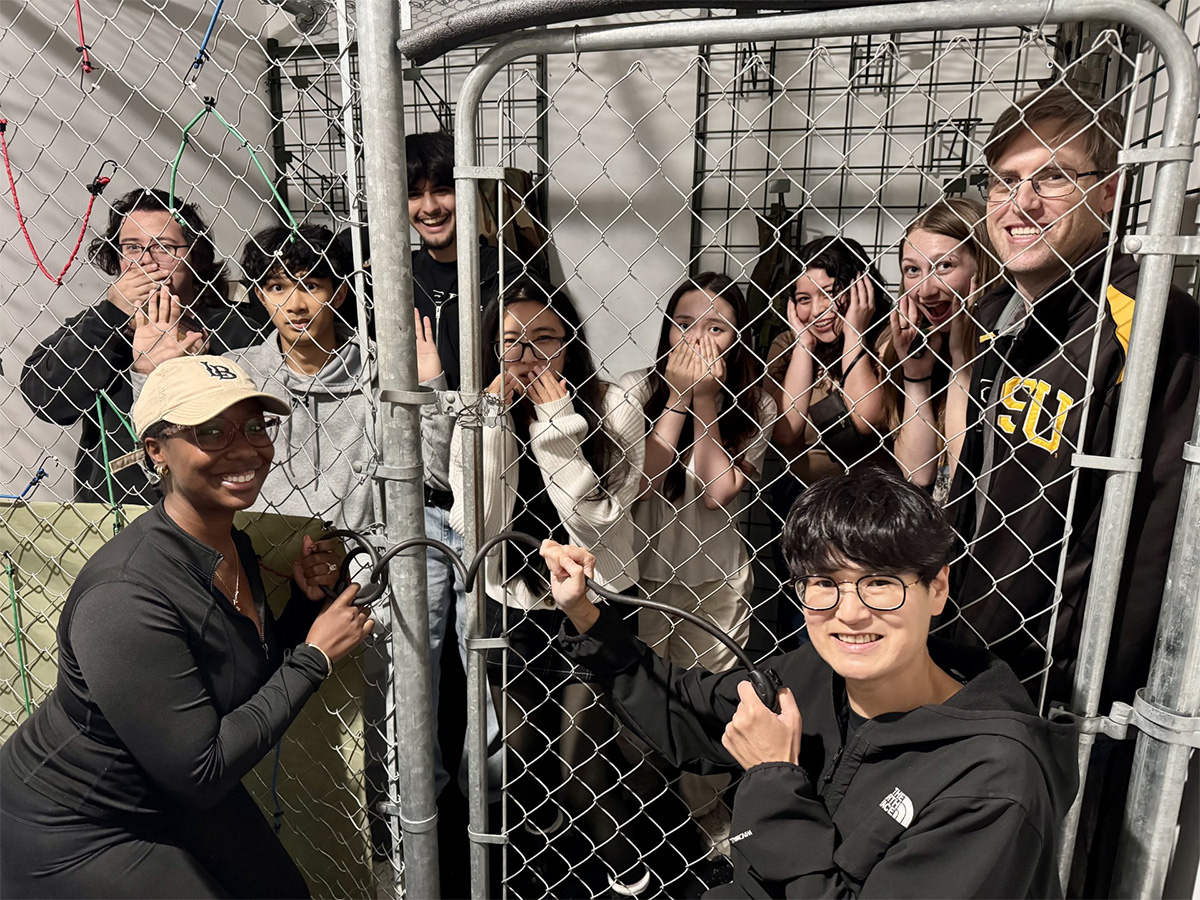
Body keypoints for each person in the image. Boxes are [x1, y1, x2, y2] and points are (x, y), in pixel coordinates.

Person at [542, 468, 1078, 898]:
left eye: (880, 584)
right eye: (825, 584)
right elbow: (688, 713)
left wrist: (775, 778)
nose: (851, 614)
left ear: (936, 589)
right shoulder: (815, 675)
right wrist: (589, 618)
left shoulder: (992, 781)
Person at [943, 86, 1199, 896]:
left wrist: (1090, 692)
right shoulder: (998, 314)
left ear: (1112, 189)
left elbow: (1149, 531)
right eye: (1002, 180)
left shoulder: (1149, 318)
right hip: (974, 656)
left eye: (1051, 178)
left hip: (1060, 690)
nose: (1019, 203)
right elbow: (974, 485)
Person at [0, 355, 374, 898]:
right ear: (157, 449)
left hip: (168, 792)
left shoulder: (229, 543)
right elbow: (203, 769)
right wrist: (313, 658)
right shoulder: (124, 596)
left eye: (253, 426)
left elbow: (239, 672)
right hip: (72, 824)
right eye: (211, 431)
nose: (244, 447)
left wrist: (303, 608)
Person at [448, 277, 652, 896]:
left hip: (595, 601)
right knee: (521, 754)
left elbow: (604, 517)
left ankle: (627, 872)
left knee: (581, 761)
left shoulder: (612, 404)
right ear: (491, 350)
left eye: (545, 340)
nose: (529, 357)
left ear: (571, 344)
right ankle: (540, 875)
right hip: (512, 604)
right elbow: (471, 524)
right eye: (512, 342)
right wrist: (487, 424)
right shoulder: (481, 412)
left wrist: (558, 426)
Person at [619, 272, 775, 855]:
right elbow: (643, 483)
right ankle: (641, 808)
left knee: (712, 695)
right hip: (646, 574)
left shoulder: (755, 399)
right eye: (685, 325)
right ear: (666, 330)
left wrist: (708, 399)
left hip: (720, 576)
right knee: (648, 695)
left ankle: (708, 812)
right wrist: (679, 398)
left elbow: (716, 491)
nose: (698, 339)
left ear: (738, 339)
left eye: (717, 328)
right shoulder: (635, 390)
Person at [20, 187, 265, 506]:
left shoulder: (234, 326)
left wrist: (198, 367)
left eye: (164, 247)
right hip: (116, 510)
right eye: (132, 248)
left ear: (195, 257)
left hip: (225, 507)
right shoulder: (98, 324)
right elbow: (45, 401)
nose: (146, 262)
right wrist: (111, 318)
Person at [133, 223, 377, 533]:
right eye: (278, 288)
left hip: (356, 564)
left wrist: (430, 385)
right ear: (260, 296)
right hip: (249, 554)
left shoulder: (377, 372)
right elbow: (159, 468)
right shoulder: (232, 372)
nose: (296, 305)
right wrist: (151, 374)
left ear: (339, 293)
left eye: (312, 285)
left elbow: (435, 475)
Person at [407, 130, 515, 797]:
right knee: (416, 668)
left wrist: (441, 387)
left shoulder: (509, 270)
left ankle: (490, 817)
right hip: (414, 498)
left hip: (483, 498)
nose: (429, 205)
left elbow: (514, 391)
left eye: (442, 187)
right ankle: (421, 815)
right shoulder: (390, 278)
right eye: (415, 191)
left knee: (486, 668)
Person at [888, 197, 997, 503]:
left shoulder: (1010, 345)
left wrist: (962, 364)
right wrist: (916, 376)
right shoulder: (914, 344)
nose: (925, 289)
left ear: (983, 264)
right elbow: (918, 472)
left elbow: (967, 470)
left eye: (944, 266)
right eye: (912, 270)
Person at [764, 236, 894, 494]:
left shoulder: (888, 338)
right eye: (803, 298)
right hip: (801, 494)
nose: (817, 310)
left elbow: (866, 418)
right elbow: (786, 432)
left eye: (830, 294)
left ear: (861, 287)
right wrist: (804, 346)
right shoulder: (786, 345)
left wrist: (854, 333)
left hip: (872, 496)